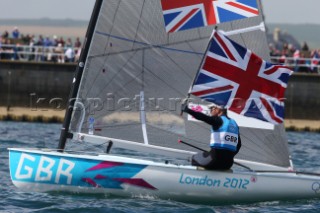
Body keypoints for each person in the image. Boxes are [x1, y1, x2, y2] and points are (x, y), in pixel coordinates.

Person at [181, 100, 241, 170]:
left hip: (214, 162)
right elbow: (238, 145)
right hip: (228, 164)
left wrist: (187, 110)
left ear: (218, 109)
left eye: (211, 109)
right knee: (207, 155)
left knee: (194, 158)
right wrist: (229, 156)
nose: (210, 112)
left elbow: (203, 117)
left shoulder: (218, 120)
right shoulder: (234, 124)